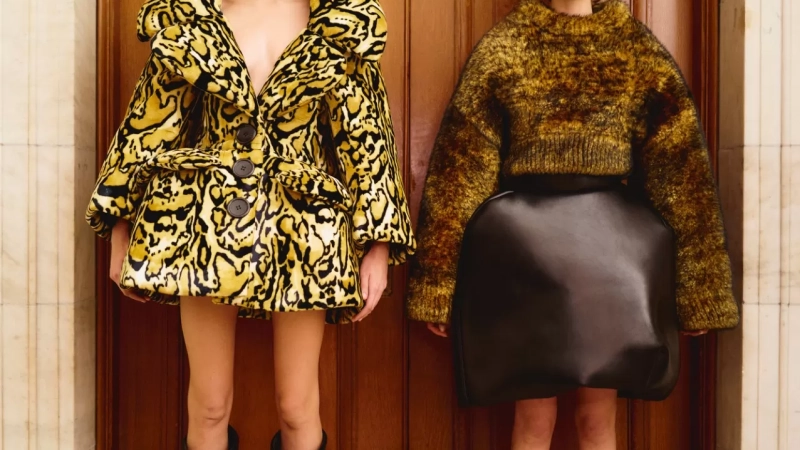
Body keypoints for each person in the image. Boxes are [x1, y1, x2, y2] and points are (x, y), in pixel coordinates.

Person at [406, 0, 739, 449]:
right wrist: (438, 287)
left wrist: (699, 292)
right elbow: (460, 169)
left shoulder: (634, 48)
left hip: (610, 264)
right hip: (526, 260)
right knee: (533, 421)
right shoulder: (507, 44)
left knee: (596, 420)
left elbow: (680, 172)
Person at [86, 0, 416, 448]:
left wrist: (379, 244)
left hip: (304, 233)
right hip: (206, 226)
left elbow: (367, 139)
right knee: (209, 404)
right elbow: (146, 128)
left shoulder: (340, 26)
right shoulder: (192, 18)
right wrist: (119, 227)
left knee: (296, 406)